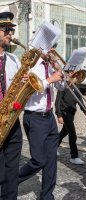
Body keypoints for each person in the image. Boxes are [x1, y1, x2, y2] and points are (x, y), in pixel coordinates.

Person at [18, 53, 64, 200]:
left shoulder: (50, 66)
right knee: (39, 160)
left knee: (51, 161)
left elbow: (61, 87)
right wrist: (50, 79)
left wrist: (59, 71)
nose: (51, 53)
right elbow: (30, 89)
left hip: (49, 117)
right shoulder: (30, 66)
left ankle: (47, 196)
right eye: (49, 48)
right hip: (34, 118)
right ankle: (10, 181)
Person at [0, 11, 24, 200]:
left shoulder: (14, 60)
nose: (10, 33)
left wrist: (25, 81)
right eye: (6, 29)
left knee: (11, 173)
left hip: (11, 120)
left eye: (11, 29)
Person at [55, 71, 86, 165]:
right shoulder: (63, 86)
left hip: (71, 113)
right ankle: (74, 156)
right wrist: (59, 115)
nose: (73, 75)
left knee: (63, 132)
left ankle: (53, 147)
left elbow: (80, 100)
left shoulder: (76, 86)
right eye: (70, 73)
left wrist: (85, 111)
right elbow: (57, 101)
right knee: (72, 134)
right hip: (64, 112)